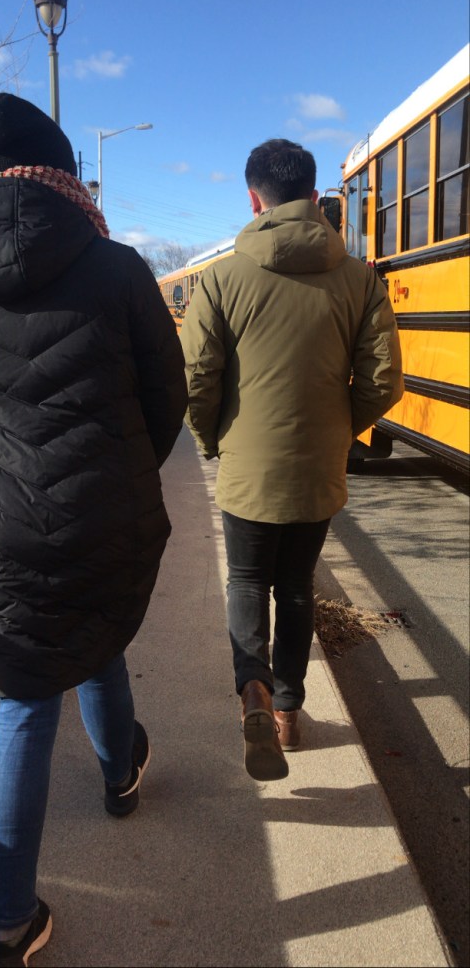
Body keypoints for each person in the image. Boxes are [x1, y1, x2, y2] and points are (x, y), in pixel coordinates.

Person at [0, 93, 187, 967]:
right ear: (66, 179)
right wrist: (120, 475)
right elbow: (167, 398)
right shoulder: (119, 269)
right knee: (100, 643)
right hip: (105, 514)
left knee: (24, 705)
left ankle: (9, 927)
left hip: (1, 535)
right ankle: (120, 778)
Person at [179, 138, 403, 783]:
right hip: (318, 468)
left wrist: (211, 441)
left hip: (248, 467)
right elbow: (384, 380)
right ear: (313, 196)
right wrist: (339, 429)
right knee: (297, 586)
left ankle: (250, 688)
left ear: (255, 200)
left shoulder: (221, 279)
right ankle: (287, 712)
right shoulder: (359, 279)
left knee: (248, 581)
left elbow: (196, 379)